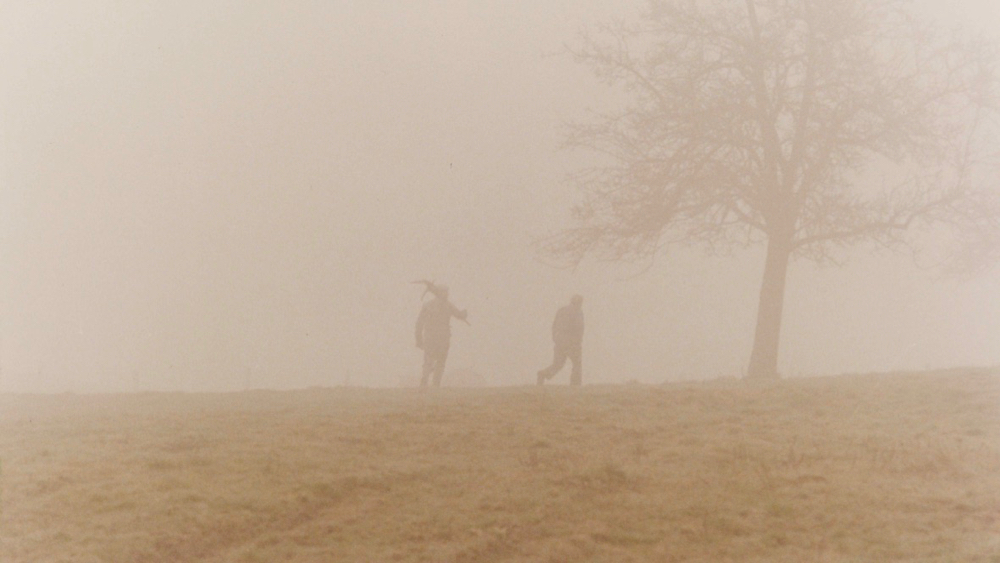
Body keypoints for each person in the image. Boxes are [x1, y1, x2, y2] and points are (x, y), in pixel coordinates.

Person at [414, 284, 468, 388]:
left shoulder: (432, 305)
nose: (446, 294)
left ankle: (431, 383)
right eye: (444, 292)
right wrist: (464, 313)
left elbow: (419, 323)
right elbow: (459, 315)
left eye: (447, 292)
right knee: (436, 361)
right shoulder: (446, 305)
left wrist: (419, 339)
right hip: (438, 337)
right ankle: (431, 383)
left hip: (437, 337)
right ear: (439, 292)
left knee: (435, 361)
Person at [537, 294, 584, 386]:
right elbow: (578, 328)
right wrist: (577, 342)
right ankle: (575, 385)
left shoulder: (561, 310)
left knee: (557, 364)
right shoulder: (577, 312)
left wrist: (555, 338)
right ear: (579, 303)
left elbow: (554, 326)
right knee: (577, 363)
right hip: (571, 343)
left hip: (559, 342)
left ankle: (542, 374)